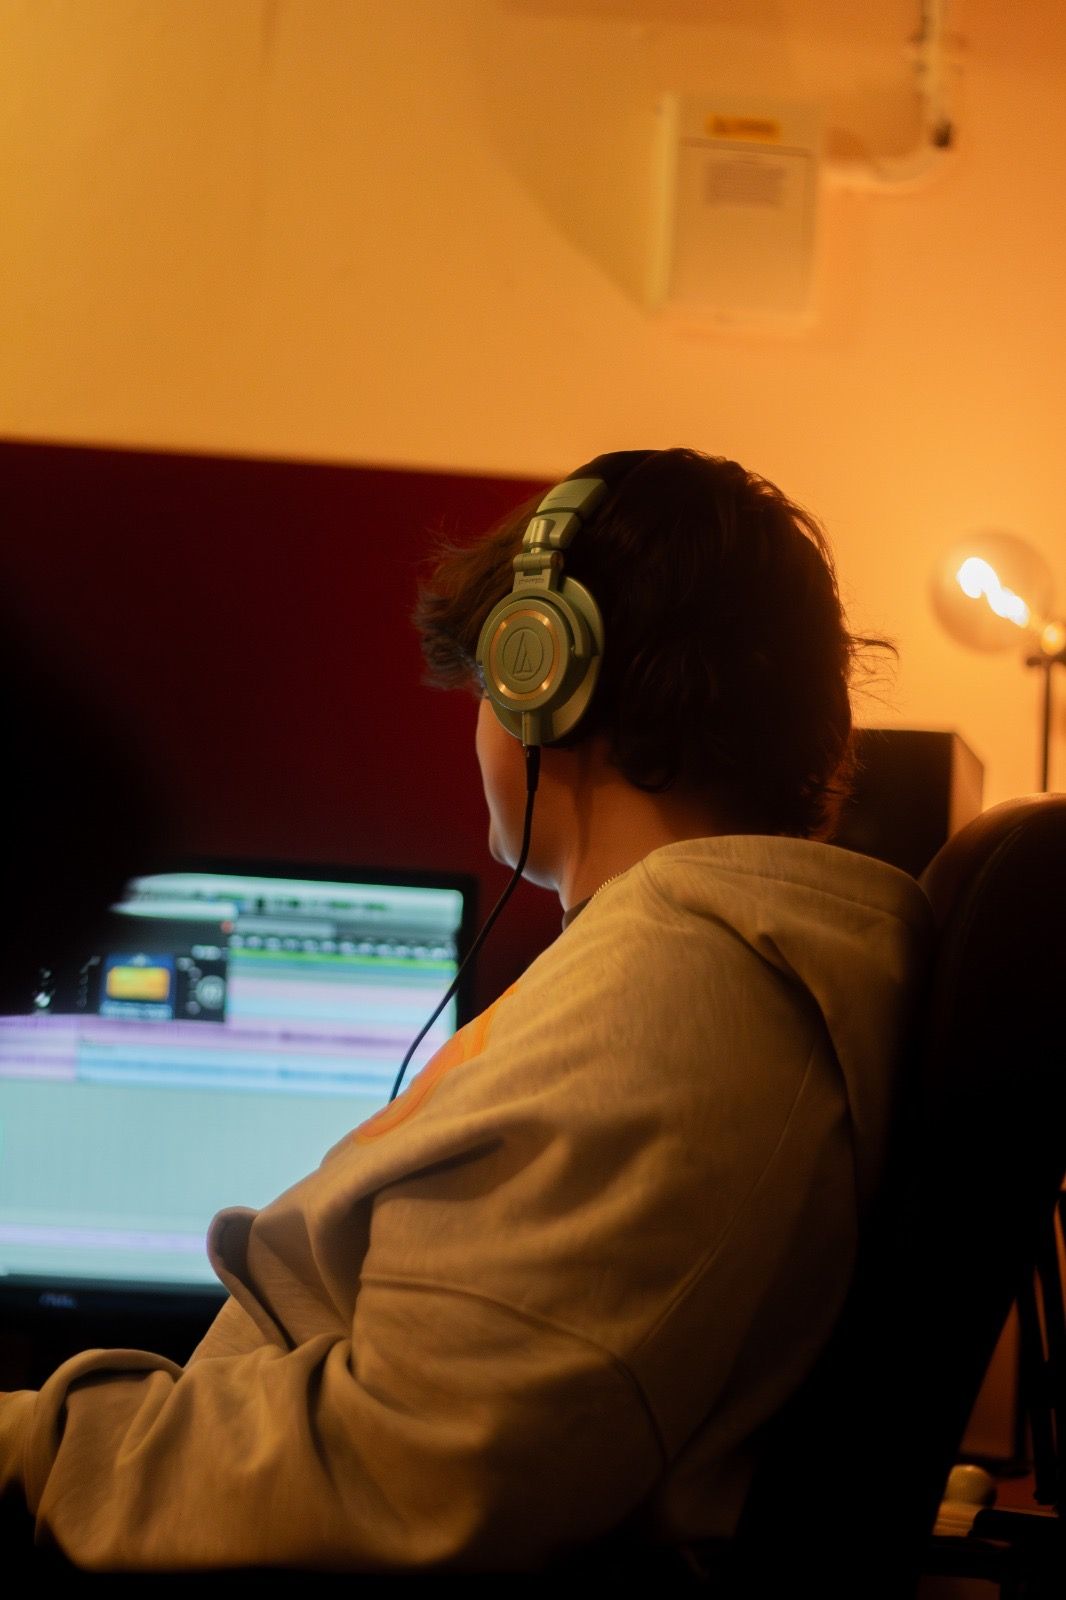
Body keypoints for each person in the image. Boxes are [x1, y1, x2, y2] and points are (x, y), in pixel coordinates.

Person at [0, 447, 931, 1573]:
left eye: (489, 683)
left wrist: (31, 1444)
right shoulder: (681, 970)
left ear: (546, 681)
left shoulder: (675, 1002)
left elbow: (399, 1469)